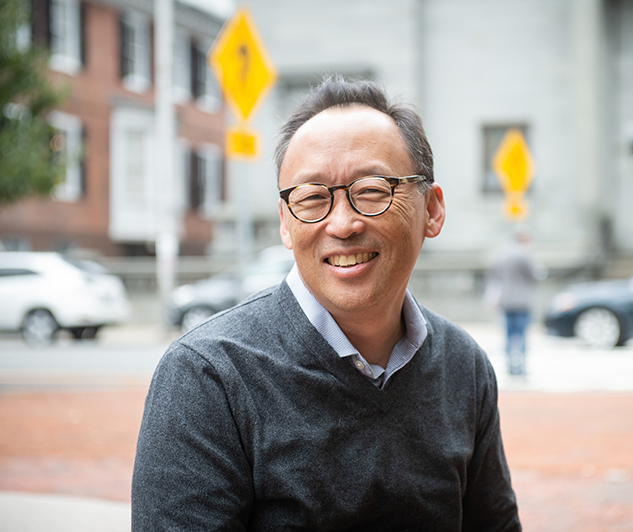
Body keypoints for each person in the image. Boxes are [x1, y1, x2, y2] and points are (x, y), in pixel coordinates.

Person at [132, 76, 521, 531]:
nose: (343, 223)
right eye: (313, 198)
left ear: (431, 210)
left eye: (373, 189)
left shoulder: (463, 366)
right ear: (285, 223)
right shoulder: (208, 376)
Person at [487, 226, 547, 375]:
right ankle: (520, 368)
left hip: (506, 301)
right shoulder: (525, 255)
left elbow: (495, 276)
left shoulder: (502, 254)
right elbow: (536, 275)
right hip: (522, 302)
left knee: (508, 336)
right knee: (521, 336)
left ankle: (509, 367)